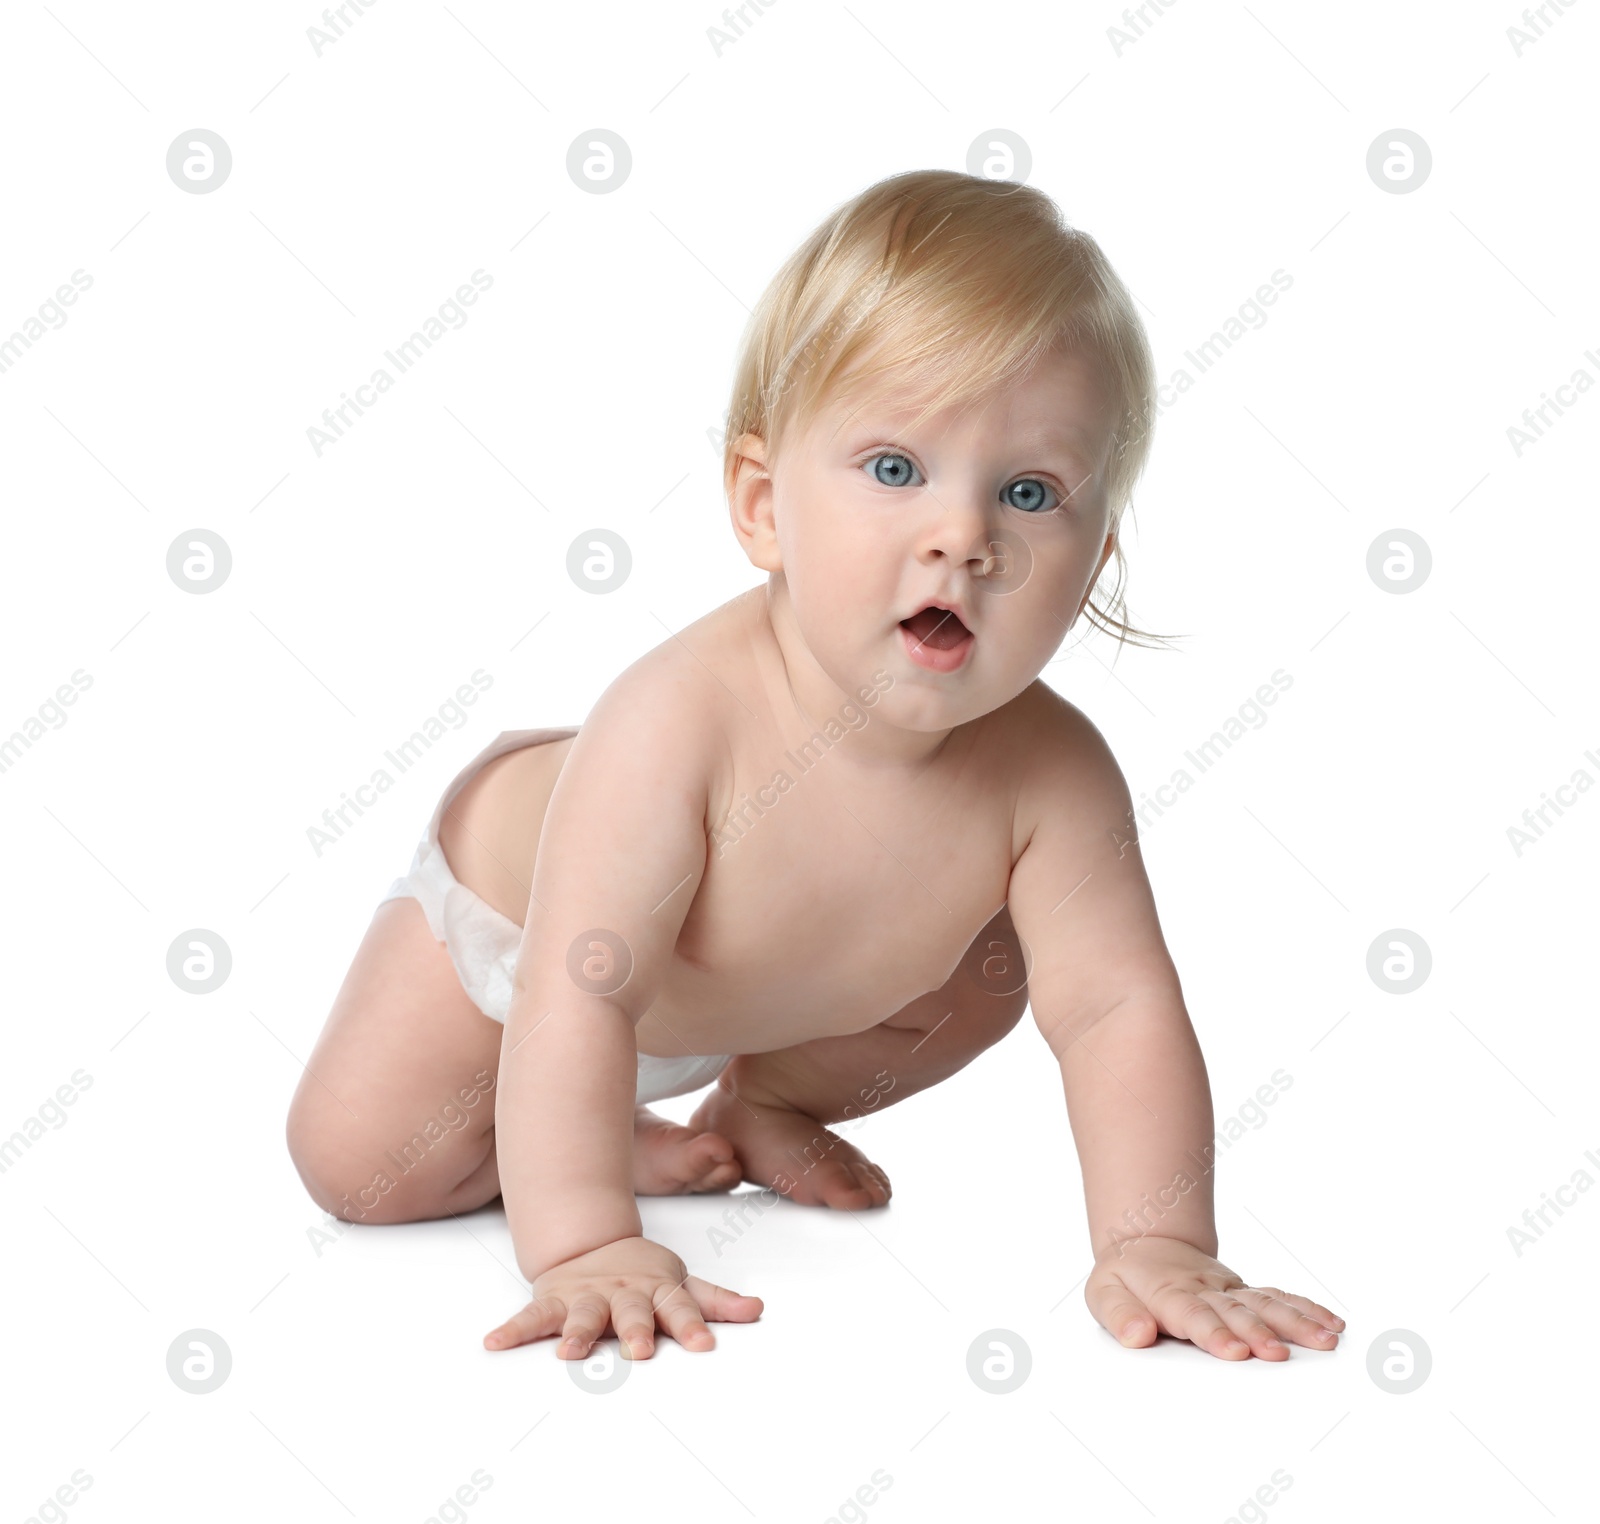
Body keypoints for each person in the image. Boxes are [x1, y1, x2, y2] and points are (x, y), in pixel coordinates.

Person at [285, 168, 1345, 1365]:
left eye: (1029, 493)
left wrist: (1160, 1242)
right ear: (762, 507)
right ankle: (578, 1142)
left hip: (764, 990)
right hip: (529, 943)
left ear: (1094, 562)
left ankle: (762, 1102)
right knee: (369, 1168)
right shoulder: (676, 723)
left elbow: (1116, 1010)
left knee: (1007, 963)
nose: (964, 536)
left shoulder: (1053, 774)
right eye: (895, 469)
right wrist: (585, 1242)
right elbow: (580, 991)